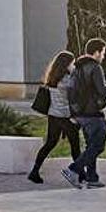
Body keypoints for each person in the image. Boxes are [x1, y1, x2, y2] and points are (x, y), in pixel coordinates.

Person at [64, 38, 106, 189]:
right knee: (98, 146)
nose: (103, 56)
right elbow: (102, 90)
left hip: (80, 115)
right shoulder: (95, 67)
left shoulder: (77, 68)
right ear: (97, 52)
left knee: (91, 145)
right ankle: (73, 169)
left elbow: (70, 90)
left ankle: (92, 177)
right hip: (92, 113)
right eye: (103, 53)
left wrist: (74, 112)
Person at [28, 51, 81, 185]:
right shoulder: (67, 80)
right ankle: (81, 174)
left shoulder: (52, 78)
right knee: (75, 146)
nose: (73, 66)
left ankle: (34, 171)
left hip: (53, 116)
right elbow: (76, 95)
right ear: (66, 64)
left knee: (50, 144)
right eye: (72, 63)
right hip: (66, 117)